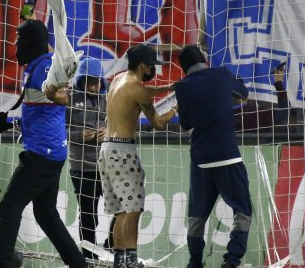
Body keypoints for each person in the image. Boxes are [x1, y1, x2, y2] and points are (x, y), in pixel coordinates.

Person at [0, 20, 87, 268]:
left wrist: (55, 93)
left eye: (18, 39)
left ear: (30, 42)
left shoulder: (45, 66)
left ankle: (3, 263)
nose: (15, 44)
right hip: (49, 151)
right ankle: (78, 263)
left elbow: (60, 95)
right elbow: (39, 111)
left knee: (10, 205)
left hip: (41, 155)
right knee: (45, 213)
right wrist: (10, 124)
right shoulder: (37, 65)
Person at [100, 44, 176, 268]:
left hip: (107, 150)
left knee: (121, 211)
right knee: (133, 210)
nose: (154, 70)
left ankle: (119, 261)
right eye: (152, 66)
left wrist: (169, 87)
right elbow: (158, 123)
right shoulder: (137, 88)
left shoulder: (118, 80)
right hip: (123, 152)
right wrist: (176, 108)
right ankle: (131, 262)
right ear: (143, 66)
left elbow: (150, 91)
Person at [174, 45, 251, 268]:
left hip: (200, 158)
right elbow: (243, 95)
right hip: (228, 155)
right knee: (243, 211)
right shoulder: (222, 74)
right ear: (204, 59)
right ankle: (232, 260)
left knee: (197, 216)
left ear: (184, 67)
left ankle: (195, 263)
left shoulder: (182, 86)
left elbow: (186, 123)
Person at [66, 57, 107, 259]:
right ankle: (90, 259)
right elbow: (59, 130)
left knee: (126, 210)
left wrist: (108, 132)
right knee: (89, 217)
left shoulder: (108, 100)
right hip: (82, 169)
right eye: (89, 81)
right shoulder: (69, 99)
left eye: (97, 81)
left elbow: (123, 126)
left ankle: (109, 250)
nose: (94, 86)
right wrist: (78, 135)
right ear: (80, 80)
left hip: (108, 167)